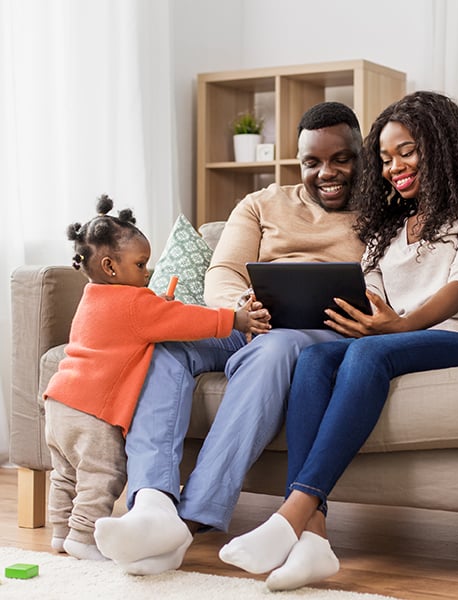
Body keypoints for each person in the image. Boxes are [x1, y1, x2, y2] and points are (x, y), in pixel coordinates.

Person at [218, 91, 458, 591]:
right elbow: (374, 290)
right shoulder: (391, 223)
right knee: (315, 358)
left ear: (440, 146)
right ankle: (314, 540)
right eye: (385, 157)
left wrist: (397, 326)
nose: (394, 166)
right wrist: (366, 317)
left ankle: (291, 516)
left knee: (367, 353)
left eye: (407, 151)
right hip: (402, 338)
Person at [93, 101, 366, 574]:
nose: (327, 173)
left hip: (319, 335)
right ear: (296, 162)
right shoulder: (262, 203)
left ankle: (192, 517)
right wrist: (244, 309)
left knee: (276, 347)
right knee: (165, 346)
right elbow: (223, 271)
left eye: (340, 158)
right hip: (251, 324)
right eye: (312, 162)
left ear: (361, 154)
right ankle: (154, 504)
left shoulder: (385, 214)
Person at [43, 195, 268, 562]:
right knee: (104, 473)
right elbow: (188, 320)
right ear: (110, 267)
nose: (147, 271)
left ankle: (59, 531)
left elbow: (139, 321)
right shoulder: (136, 304)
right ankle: (83, 536)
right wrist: (236, 319)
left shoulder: (93, 296)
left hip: (59, 402)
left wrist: (152, 304)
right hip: (92, 412)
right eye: (141, 264)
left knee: (65, 474)